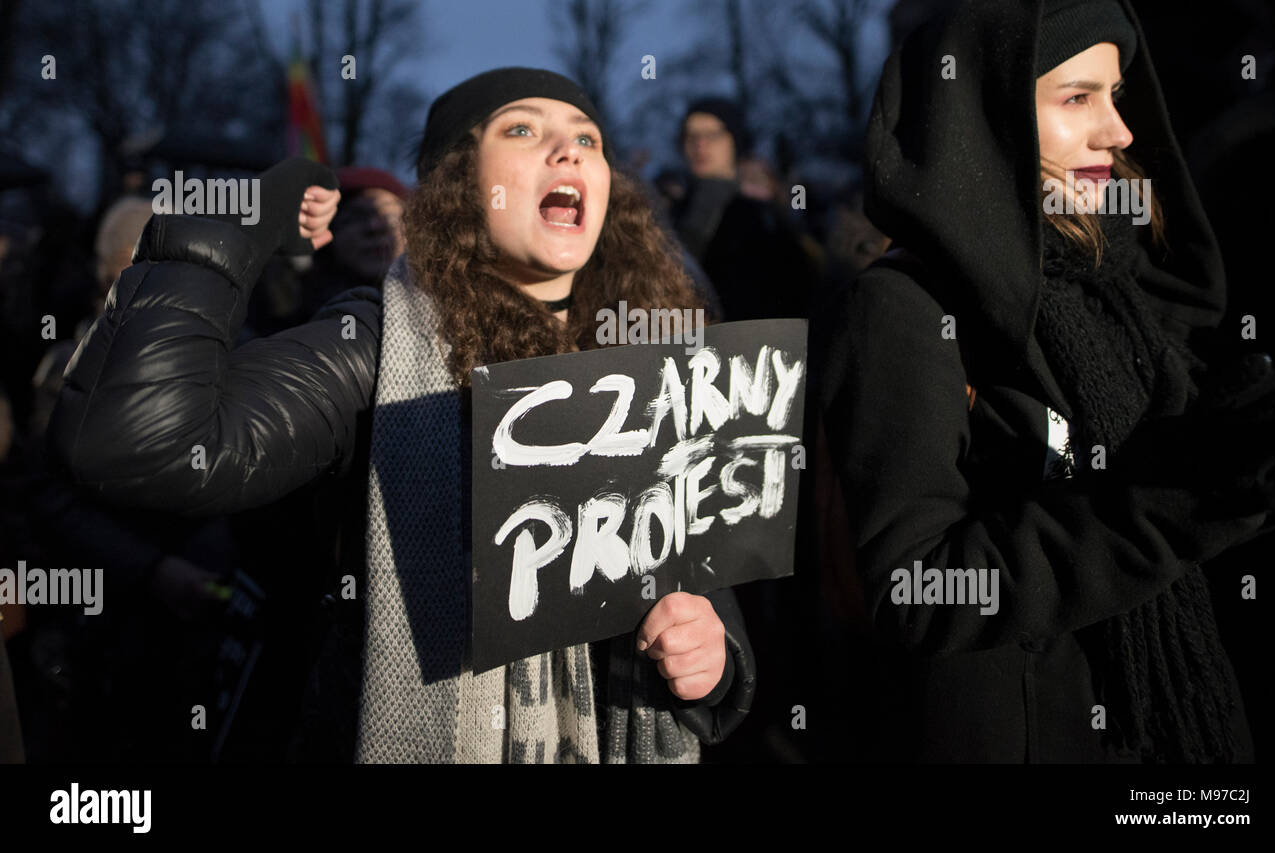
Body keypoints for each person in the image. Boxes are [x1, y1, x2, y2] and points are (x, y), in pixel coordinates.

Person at [48, 67, 754, 764]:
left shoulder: (658, 367)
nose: (568, 151)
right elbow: (139, 443)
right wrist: (243, 217)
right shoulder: (381, 341)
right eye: (521, 129)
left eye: (588, 139)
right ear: (458, 185)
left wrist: (710, 659)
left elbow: (708, 598)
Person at [817, 0, 1275, 763]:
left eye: (1115, 95)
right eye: (1078, 97)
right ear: (992, 116)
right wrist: (1180, 500)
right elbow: (916, 588)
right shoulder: (905, 307)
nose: (1118, 128)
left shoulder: (1124, 286)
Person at [671, 97, 815, 321]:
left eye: (713, 135)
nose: (700, 144)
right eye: (691, 135)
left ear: (735, 141)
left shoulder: (765, 214)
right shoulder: (667, 211)